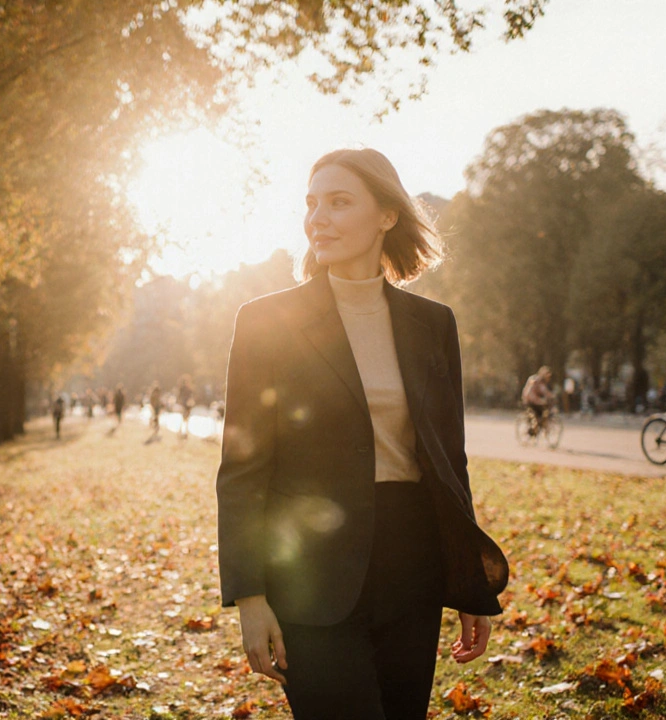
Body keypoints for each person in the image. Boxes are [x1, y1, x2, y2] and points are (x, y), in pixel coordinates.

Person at [216, 148, 508, 720]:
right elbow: (243, 469)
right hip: (309, 576)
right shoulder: (264, 322)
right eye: (311, 203)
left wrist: (470, 583)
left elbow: (449, 461)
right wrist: (250, 598)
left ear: (386, 216)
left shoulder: (434, 323)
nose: (317, 217)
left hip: (413, 566)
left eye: (339, 202)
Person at [520, 366, 555, 435]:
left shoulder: (540, 381)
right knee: (536, 415)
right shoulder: (536, 380)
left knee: (544, 410)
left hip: (535, 401)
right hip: (529, 401)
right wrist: (540, 400)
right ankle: (534, 428)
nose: (548, 378)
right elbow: (530, 393)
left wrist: (551, 396)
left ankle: (539, 425)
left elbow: (545, 391)